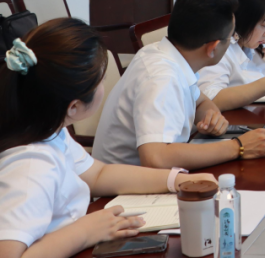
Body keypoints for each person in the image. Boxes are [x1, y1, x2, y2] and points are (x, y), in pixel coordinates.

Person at [0, 18, 217, 258]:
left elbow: (98, 174)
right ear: (74, 107)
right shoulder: (30, 166)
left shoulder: (49, 130)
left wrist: (176, 181)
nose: (105, 85)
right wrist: (84, 232)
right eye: (101, 79)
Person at [93, 0, 265, 169]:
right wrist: (238, 147)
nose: (233, 41)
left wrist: (212, 116)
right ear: (213, 47)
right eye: (231, 37)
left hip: (155, 173)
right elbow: (155, 158)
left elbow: (201, 101)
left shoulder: (166, 54)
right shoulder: (162, 78)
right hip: (127, 185)